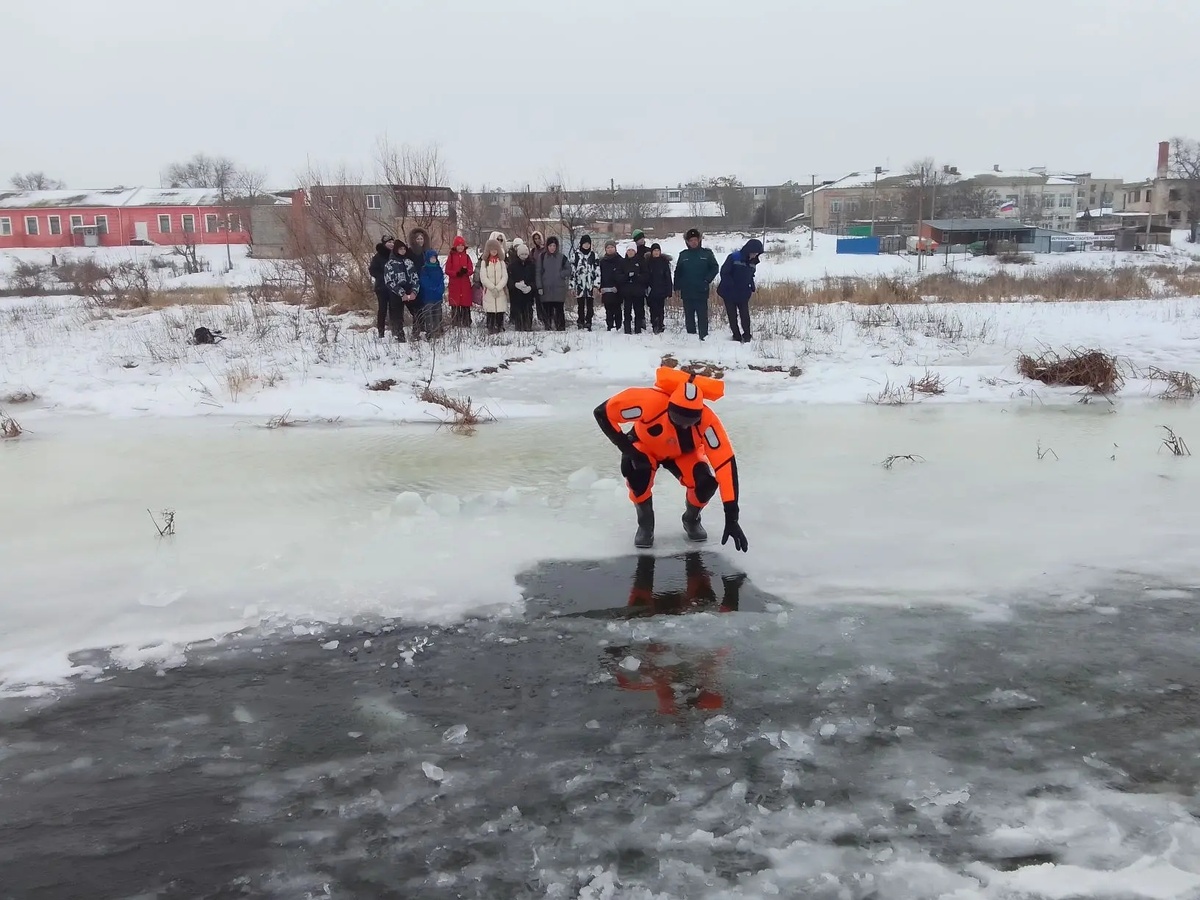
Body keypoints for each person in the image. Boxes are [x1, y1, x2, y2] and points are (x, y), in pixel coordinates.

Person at [593, 366, 749, 552]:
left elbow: (725, 464)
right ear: (669, 408)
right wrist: (629, 451)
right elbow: (603, 413)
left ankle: (691, 519)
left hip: (684, 454)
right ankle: (645, 524)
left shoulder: (708, 422)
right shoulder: (649, 402)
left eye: (689, 422)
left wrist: (732, 516)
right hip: (646, 447)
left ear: (699, 414)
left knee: (705, 483)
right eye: (677, 419)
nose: (683, 426)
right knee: (637, 473)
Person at [673, 228, 719, 341]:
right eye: (691, 240)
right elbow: (678, 272)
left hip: (701, 290)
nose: (693, 242)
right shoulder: (683, 255)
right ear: (687, 242)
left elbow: (714, 268)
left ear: (699, 240)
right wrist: (677, 287)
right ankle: (691, 337)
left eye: (695, 239)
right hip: (687, 290)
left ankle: (703, 337)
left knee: (702, 315)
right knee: (689, 316)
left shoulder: (706, 254)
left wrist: (707, 280)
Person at [717, 238, 764, 343]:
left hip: (743, 293)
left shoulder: (753, 262)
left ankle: (747, 335)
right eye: (754, 253)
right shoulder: (734, 257)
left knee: (745, 315)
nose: (755, 255)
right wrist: (730, 284)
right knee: (732, 315)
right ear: (748, 250)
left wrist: (751, 284)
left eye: (757, 253)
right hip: (729, 292)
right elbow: (724, 272)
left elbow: (750, 275)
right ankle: (736, 335)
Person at [383, 238, 420, 342]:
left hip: (410, 291)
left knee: (418, 312)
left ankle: (416, 334)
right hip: (396, 293)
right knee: (397, 317)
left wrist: (414, 291)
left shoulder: (409, 262)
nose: (403, 250)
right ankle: (400, 337)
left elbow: (415, 278)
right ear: (396, 250)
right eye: (400, 249)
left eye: (404, 249)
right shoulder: (390, 264)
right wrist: (401, 293)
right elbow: (389, 281)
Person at [536, 236, 571, 331]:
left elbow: (569, 269)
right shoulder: (542, 257)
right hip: (546, 288)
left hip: (559, 288)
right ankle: (548, 327)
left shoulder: (562, 257)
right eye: (550, 245)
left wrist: (561, 274)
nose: (552, 248)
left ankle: (560, 328)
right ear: (547, 246)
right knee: (547, 310)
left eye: (554, 246)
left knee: (559, 310)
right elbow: (538, 272)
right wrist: (539, 286)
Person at [478, 237, 509, 333]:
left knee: (500, 310)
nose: (494, 251)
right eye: (492, 249)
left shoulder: (501, 262)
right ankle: (490, 327)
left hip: (500, 291)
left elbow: (505, 276)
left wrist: (498, 288)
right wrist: (492, 288)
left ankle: (499, 326)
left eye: (496, 249)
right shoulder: (484, 262)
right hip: (489, 291)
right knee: (490, 311)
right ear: (488, 250)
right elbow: (483, 277)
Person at [571, 234, 600, 330]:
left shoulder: (594, 255)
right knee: (580, 305)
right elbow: (572, 272)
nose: (586, 245)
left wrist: (596, 285)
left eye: (588, 244)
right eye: (585, 243)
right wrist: (572, 286)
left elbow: (597, 271)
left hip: (590, 285)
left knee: (590, 305)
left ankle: (589, 321)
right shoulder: (575, 255)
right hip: (580, 285)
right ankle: (580, 321)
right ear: (581, 244)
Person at [444, 235, 474, 327]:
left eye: (462, 245)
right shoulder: (451, 257)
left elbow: (471, 269)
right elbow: (447, 270)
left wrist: (466, 272)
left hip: (465, 284)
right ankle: (456, 323)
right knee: (455, 304)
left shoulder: (467, 257)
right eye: (458, 245)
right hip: (455, 284)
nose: (460, 247)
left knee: (465, 304)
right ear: (455, 246)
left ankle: (466, 323)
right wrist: (456, 273)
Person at [507, 242, 537, 331]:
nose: (524, 256)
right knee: (518, 312)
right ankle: (519, 328)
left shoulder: (532, 265)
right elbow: (509, 279)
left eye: (526, 254)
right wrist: (515, 284)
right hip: (516, 294)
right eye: (522, 254)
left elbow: (535, 279)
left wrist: (530, 287)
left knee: (528, 311)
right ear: (518, 254)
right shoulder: (512, 265)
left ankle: (528, 327)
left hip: (528, 294)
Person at [369, 235, 395, 338]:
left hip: (394, 287)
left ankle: (395, 331)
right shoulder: (378, 256)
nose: (391, 244)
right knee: (382, 310)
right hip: (382, 287)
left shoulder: (395, 255)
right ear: (384, 244)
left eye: (392, 242)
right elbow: (372, 270)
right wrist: (383, 277)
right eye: (389, 242)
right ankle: (381, 332)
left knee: (394, 309)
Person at [619, 243, 648, 334]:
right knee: (627, 311)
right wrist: (626, 276)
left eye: (632, 250)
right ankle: (627, 329)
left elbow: (646, 275)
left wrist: (637, 276)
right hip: (626, 292)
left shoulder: (641, 261)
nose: (630, 252)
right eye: (629, 250)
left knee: (638, 310)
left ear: (635, 251)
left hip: (638, 291)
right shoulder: (622, 262)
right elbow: (618, 276)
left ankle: (638, 329)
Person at [645, 243, 673, 335]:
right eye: (654, 251)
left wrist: (669, 290)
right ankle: (654, 324)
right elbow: (645, 277)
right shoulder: (648, 262)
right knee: (653, 308)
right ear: (651, 252)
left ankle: (660, 324)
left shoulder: (664, 262)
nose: (656, 253)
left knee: (660, 308)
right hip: (651, 290)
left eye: (658, 251)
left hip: (661, 290)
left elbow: (668, 277)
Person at [418, 248, 446, 338]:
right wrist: (432, 288)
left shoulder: (438, 268)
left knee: (437, 314)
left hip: (437, 296)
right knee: (428, 314)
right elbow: (424, 281)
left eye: (434, 258)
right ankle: (429, 332)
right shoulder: (424, 269)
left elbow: (442, 280)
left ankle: (437, 330)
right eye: (431, 258)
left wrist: (440, 289)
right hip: (428, 296)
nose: (433, 259)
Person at [598, 239, 623, 331]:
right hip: (605, 288)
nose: (610, 249)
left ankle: (618, 326)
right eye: (608, 248)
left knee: (617, 308)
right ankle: (609, 325)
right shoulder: (602, 262)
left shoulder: (620, 260)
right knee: (608, 309)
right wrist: (600, 287)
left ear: (615, 248)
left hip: (617, 289)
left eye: (612, 247)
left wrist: (618, 286)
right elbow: (599, 275)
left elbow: (622, 275)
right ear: (605, 249)